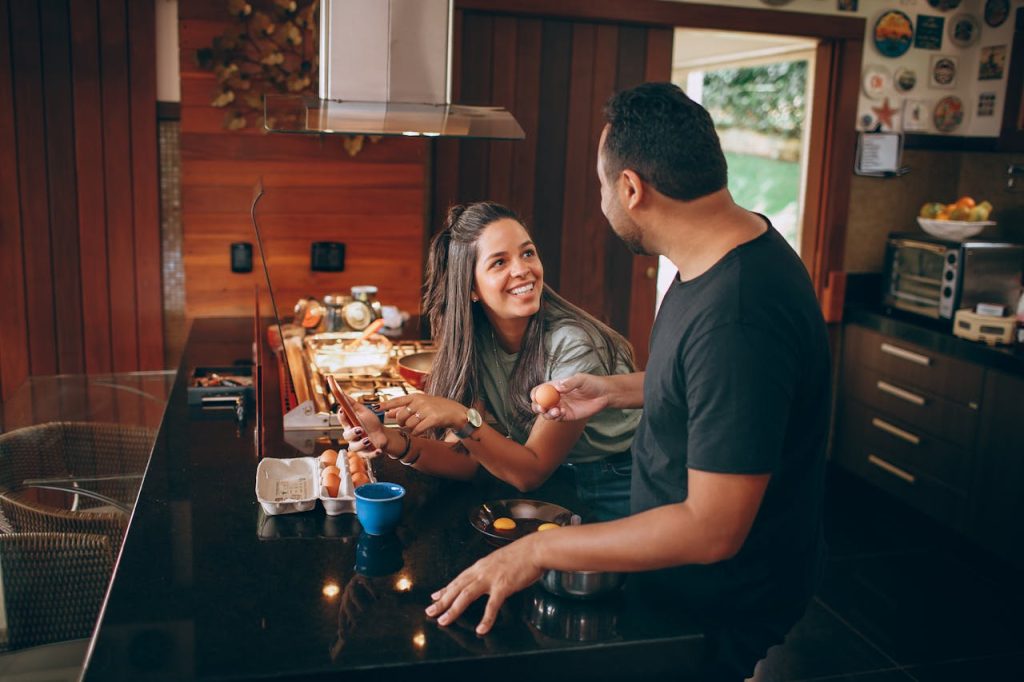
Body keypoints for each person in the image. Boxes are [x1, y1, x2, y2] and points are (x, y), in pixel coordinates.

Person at [425, 83, 831, 681]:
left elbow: (712, 528)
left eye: (600, 183)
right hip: (686, 578)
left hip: (718, 599)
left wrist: (535, 549)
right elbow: (718, 386)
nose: (601, 199)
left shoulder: (738, 311)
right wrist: (613, 390)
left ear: (632, 188)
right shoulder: (720, 259)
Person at [342, 202, 640, 522]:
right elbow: (468, 460)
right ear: (471, 288)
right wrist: (391, 442)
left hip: (611, 486)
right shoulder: (478, 342)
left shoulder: (573, 345)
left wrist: (460, 417)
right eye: (500, 262)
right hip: (550, 482)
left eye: (527, 253)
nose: (523, 269)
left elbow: (531, 470)